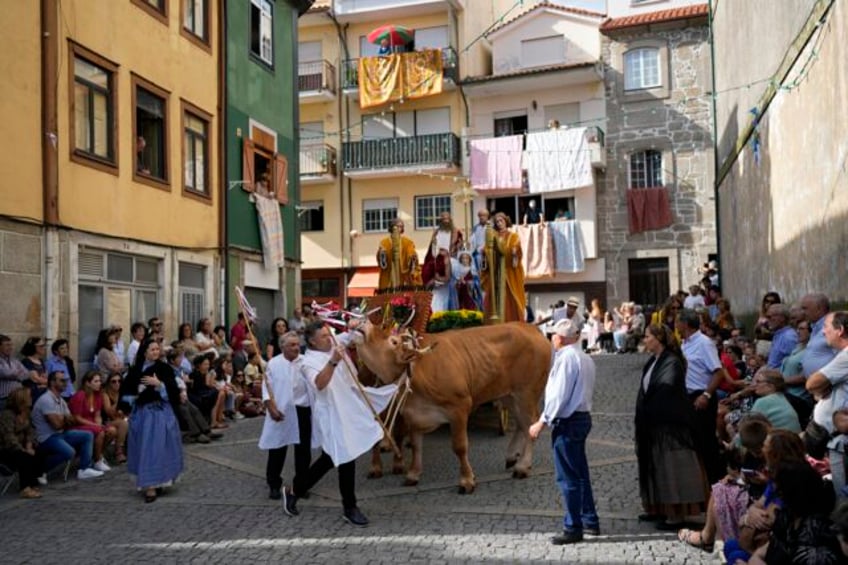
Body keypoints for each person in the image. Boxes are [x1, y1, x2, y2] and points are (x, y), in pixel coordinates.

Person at [282, 322, 397, 527]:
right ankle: (349, 507)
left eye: (329, 334)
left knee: (329, 459)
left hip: (348, 408)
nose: (330, 338)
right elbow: (319, 383)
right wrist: (333, 362)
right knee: (346, 456)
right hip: (331, 415)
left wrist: (356, 324)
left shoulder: (333, 343)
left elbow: (354, 335)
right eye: (324, 336)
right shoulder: (306, 362)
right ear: (312, 341)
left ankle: (295, 490)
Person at [529, 319, 599, 545]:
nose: (551, 339)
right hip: (582, 417)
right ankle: (589, 519)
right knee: (580, 473)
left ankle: (573, 527)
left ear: (559, 337)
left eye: (553, 335)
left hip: (568, 421)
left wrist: (542, 421)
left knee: (568, 477)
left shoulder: (566, 359)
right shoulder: (585, 357)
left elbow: (559, 396)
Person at [636, 324, 707, 530]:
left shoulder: (672, 361)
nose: (645, 340)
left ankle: (676, 514)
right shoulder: (653, 360)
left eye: (648, 336)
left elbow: (665, 389)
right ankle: (659, 508)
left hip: (670, 425)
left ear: (659, 338)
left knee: (672, 467)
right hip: (653, 424)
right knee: (657, 466)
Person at [124, 339, 184, 502]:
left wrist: (160, 385)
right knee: (145, 449)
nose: (155, 352)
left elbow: (173, 391)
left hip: (160, 413)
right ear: (144, 352)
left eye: (157, 349)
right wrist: (137, 392)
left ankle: (155, 484)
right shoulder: (135, 370)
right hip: (141, 415)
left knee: (158, 448)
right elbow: (126, 393)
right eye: (152, 349)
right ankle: (149, 484)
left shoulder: (164, 369)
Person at [677, 308, 730, 484]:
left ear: (685, 324)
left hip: (701, 396)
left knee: (706, 442)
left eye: (677, 321)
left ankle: (717, 482)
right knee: (693, 443)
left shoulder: (704, 343)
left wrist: (706, 395)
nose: (675, 325)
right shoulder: (684, 343)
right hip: (687, 397)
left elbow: (718, 372)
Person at [32, 370, 103, 481]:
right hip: (46, 437)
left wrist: (62, 419)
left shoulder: (61, 400)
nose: (65, 383)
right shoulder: (46, 399)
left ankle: (84, 469)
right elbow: (57, 425)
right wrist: (64, 419)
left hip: (60, 434)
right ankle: (39, 469)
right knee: (69, 452)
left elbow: (71, 420)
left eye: (66, 380)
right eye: (62, 380)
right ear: (52, 383)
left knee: (87, 435)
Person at [259, 333, 302, 500]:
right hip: (280, 411)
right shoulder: (274, 364)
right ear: (283, 346)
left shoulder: (304, 362)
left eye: (297, 344)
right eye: (292, 345)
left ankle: (301, 484)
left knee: (302, 451)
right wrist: (271, 408)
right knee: (277, 448)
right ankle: (274, 484)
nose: (296, 348)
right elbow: (266, 387)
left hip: (300, 412)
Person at [480, 212, 525, 323]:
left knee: (510, 300)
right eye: (497, 222)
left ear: (506, 221)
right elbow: (487, 251)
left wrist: (515, 252)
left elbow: (516, 251)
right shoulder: (492, 236)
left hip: (509, 274)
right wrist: (484, 252)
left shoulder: (513, 236)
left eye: (501, 221)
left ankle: (512, 323)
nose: (499, 223)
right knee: (493, 300)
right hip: (495, 274)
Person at [0, 388, 45, 498]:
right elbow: (8, 437)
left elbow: (30, 431)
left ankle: (33, 482)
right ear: (21, 399)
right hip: (6, 448)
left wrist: (29, 445)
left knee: (39, 451)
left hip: (22, 445)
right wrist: (23, 449)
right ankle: (25, 488)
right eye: (29, 396)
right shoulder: (7, 415)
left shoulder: (25, 413)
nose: (31, 398)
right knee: (24, 457)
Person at [68, 371, 115, 472]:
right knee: (100, 432)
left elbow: (97, 415)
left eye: (99, 381)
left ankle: (96, 455)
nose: (99, 383)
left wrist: (98, 424)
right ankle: (97, 461)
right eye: (96, 381)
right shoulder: (80, 395)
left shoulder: (98, 395)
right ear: (87, 383)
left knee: (112, 431)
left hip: (91, 424)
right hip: (78, 425)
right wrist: (95, 425)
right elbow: (77, 418)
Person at [422, 211, 463, 291]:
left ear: (450, 220)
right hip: (438, 255)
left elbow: (459, 246)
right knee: (428, 267)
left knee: (449, 265)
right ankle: (433, 287)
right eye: (444, 219)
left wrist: (454, 250)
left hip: (452, 255)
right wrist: (435, 246)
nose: (446, 221)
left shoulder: (456, 232)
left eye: (447, 218)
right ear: (441, 221)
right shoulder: (437, 232)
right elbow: (431, 249)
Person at [101, 372, 129, 461]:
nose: (117, 383)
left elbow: (127, 411)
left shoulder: (123, 393)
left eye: (119, 381)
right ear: (109, 383)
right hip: (107, 421)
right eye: (114, 381)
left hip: (120, 419)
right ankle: (119, 451)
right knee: (123, 424)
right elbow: (109, 412)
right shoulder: (105, 394)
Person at [0, 334, 29, 411]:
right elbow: (6, 373)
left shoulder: (14, 360)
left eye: (11, 345)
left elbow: (26, 374)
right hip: (3, 399)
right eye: (7, 345)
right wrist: (18, 373)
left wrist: (15, 374)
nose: (10, 348)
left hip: (18, 399)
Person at [20, 337, 48, 402]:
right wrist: (47, 382)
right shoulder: (26, 362)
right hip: (33, 395)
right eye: (41, 346)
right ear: (33, 347)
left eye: (44, 345)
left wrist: (45, 381)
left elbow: (46, 376)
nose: (44, 348)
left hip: (43, 394)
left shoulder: (41, 361)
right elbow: (36, 379)